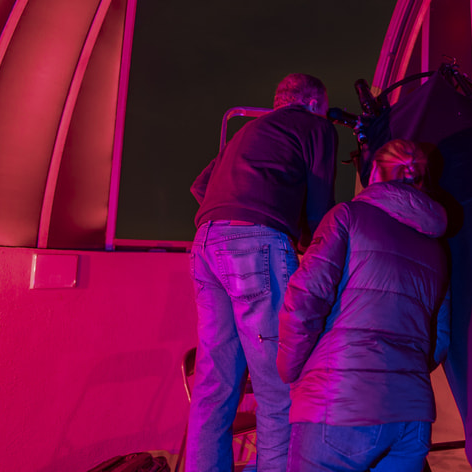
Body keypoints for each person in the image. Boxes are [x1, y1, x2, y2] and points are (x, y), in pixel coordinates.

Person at [187, 73, 338, 472]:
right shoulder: (315, 126)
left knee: (213, 387)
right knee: (277, 390)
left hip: (205, 242)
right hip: (254, 245)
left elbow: (201, 187)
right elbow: (321, 209)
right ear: (313, 103)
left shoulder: (250, 130)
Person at [277, 138, 450, 472]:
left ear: (372, 171)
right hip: (411, 415)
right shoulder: (437, 247)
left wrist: (290, 369)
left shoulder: (347, 216)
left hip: (337, 404)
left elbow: (304, 302)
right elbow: (439, 340)